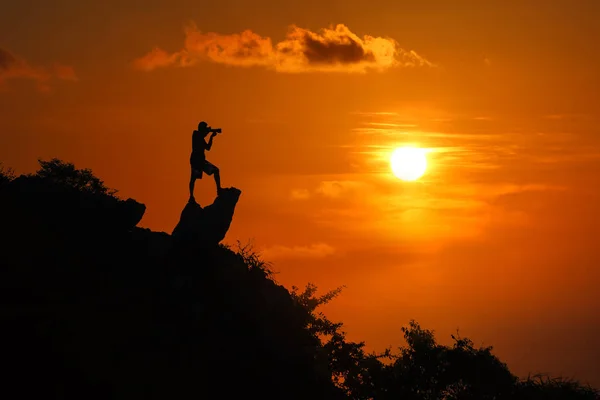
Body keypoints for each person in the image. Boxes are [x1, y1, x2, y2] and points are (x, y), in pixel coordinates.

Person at [189, 121, 222, 202]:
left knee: (216, 170)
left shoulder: (201, 137)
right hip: (196, 160)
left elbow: (208, 148)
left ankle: (219, 189)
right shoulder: (196, 134)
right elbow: (201, 135)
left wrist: (211, 137)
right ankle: (191, 196)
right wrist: (208, 131)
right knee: (193, 178)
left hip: (201, 161)